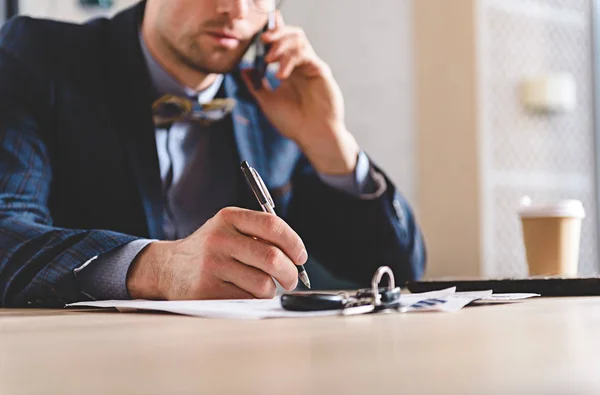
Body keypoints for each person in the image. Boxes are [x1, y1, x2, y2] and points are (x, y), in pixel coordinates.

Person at [0, 0, 425, 308]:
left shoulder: (273, 100)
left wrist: (332, 143)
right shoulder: (40, 56)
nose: (236, 9)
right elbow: (6, 231)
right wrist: (157, 268)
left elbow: (397, 270)